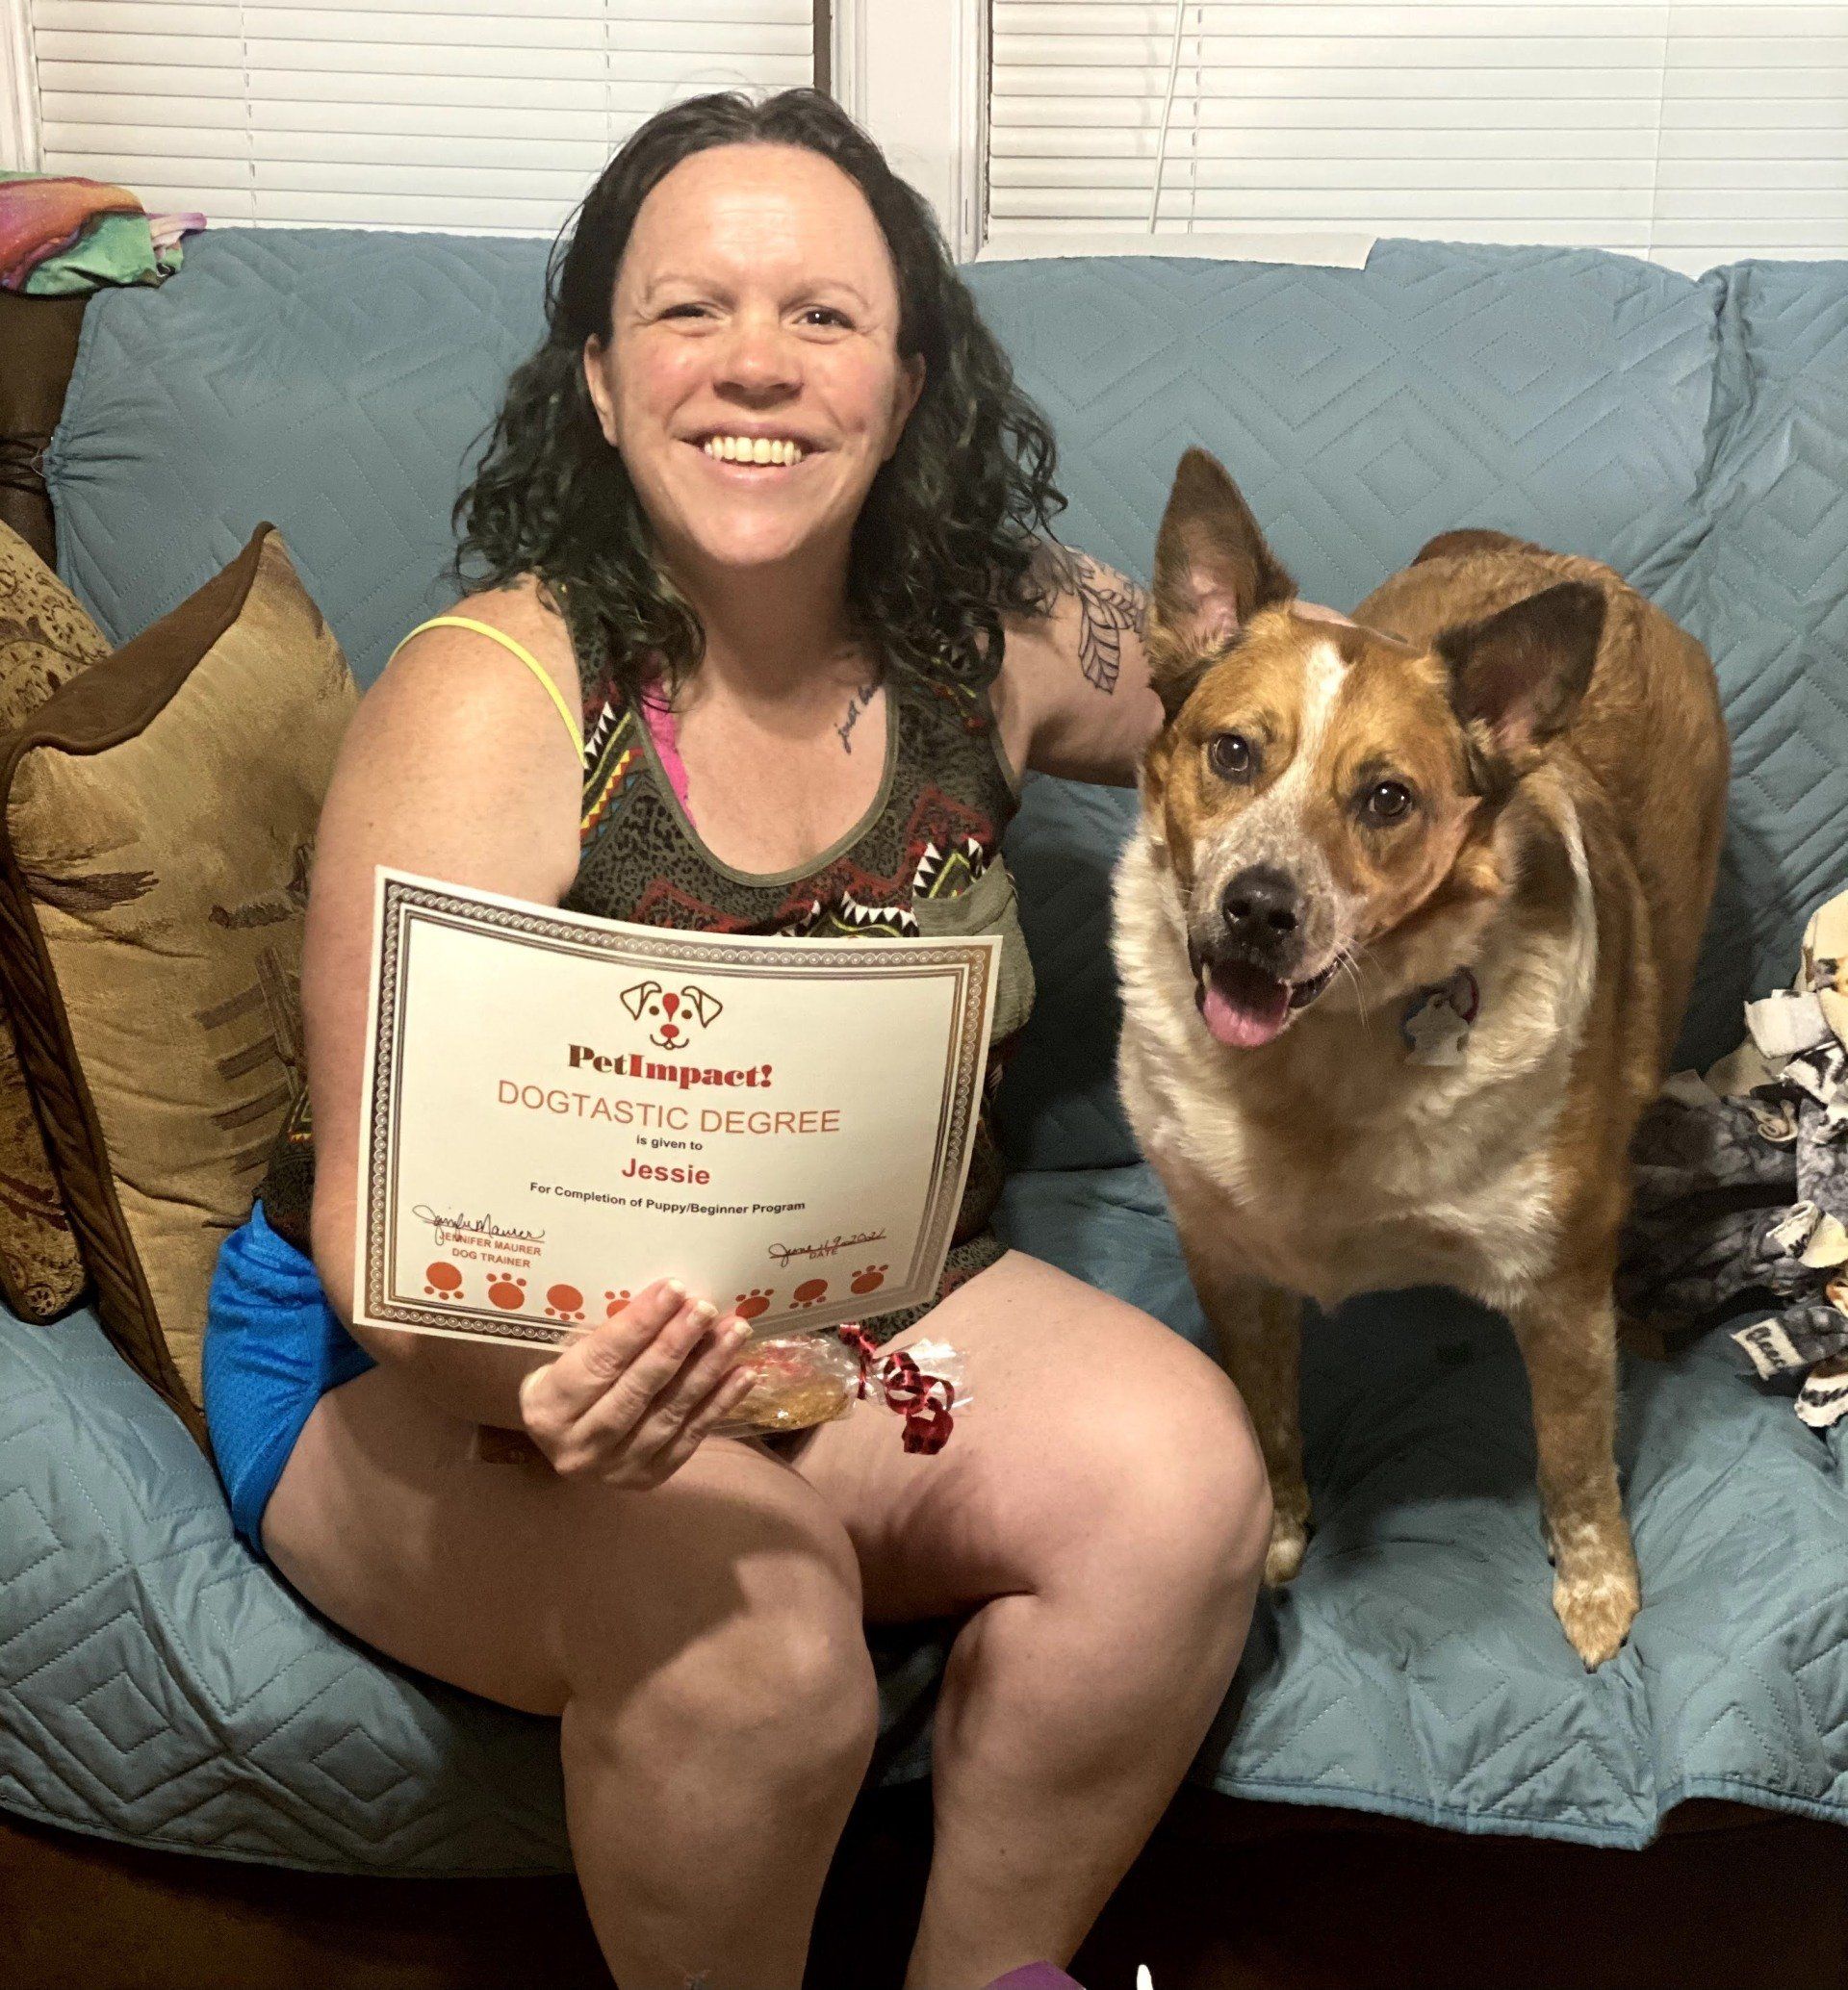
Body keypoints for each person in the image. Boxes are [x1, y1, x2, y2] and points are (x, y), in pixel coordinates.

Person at [203, 89, 1272, 1990]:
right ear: (603, 384)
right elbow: (386, 1241)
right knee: (768, 1643)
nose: (757, 364)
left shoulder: (1011, 633)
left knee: (1186, 1482)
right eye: (689, 311)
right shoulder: (492, 702)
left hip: (851, 1302)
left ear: (913, 381)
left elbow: (1251, 678)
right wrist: (519, 1380)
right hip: (440, 1364)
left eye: (826, 317)